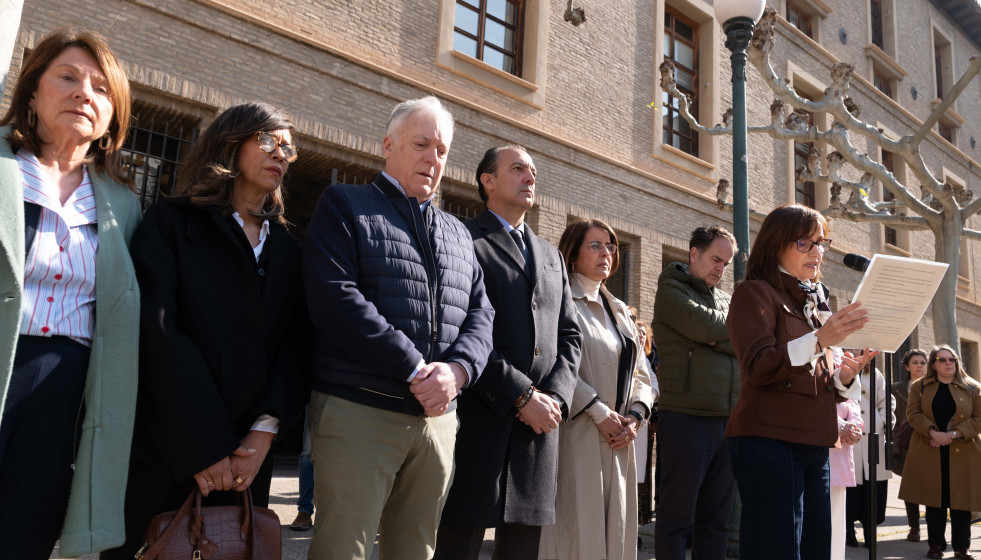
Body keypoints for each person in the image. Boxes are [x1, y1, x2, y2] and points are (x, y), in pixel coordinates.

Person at [104, 103, 311, 559]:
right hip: (169, 446)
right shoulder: (170, 224)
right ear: (229, 143)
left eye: (288, 148)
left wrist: (263, 433)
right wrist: (205, 446)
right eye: (268, 140)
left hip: (246, 463)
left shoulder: (289, 251)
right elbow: (158, 333)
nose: (281, 153)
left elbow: (296, 346)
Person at [303, 96, 494, 560]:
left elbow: (482, 316)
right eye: (421, 144)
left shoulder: (459, 233)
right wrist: (415, 368)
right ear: (388, 146)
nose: (433, 158)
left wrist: (458, 373)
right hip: (360, 410)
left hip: (438, 421)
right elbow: (335, 298)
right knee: (341, 551)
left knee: (416, 552)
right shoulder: (345, 204)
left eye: (442, 150)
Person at [0, 29, 139, 560]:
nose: (84, 93)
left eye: (102, 89)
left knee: (25, 533)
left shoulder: (122, 204)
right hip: (7, 356)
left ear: (112, 115)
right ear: (33, 91)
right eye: (67, 77)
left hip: (66, 391)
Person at [435, 146, 581, 560]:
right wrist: (520, 394)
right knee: (457, 547)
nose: (530, 177)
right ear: (488, 180)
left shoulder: (551, 255)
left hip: (538, 431)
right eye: (518, 169)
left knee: (521, 550)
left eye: (533, 171)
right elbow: (458, 327)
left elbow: (570, 334)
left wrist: (555, 398)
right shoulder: (462, 238)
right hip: (478, 420)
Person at [725, 203, 874, 560]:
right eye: (804, 243)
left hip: (815, 442)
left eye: (821, 243)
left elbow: (811, 379)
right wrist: (820, 339)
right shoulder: (754, 292)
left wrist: (843, 378)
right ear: (776, 244)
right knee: (776, 551)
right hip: (769, 442)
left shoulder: (813, 300)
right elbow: (758, 367)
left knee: (815, 549)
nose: (817, 252)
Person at [539, 218, 655, 560]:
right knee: (577, 535)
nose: (606, 252)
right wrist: (599, 411)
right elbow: (552, 363)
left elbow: (642, 373)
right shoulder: (558, 300)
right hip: (577, 434)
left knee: (615, 536)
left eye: (610, 246)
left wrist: (636, 417)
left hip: (620, 439)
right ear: (572, 254)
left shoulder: (619, 309)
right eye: (595, 245)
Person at [651, 225, 739, 560]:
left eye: (726, 263)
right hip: (686, 418)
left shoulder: (726, 299)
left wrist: (718, 339)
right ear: (694, 253)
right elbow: (710, 327)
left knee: (716, 522)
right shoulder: (670, 290)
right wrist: (720, 335)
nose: (721, 268)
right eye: (716, 259)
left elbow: (742, 339)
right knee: (676, 520)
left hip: (727, 422)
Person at [898, 344, 981, 560]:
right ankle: (935, 545)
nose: (948, 363)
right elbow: (913, 413)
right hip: (930, 449)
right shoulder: (920, 386)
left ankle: (962, 547)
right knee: (935, 500)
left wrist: (952, 434)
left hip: (963, 451)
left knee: (961, 501)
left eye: (952, 359)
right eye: (942, 360)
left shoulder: (973, 388)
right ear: (934, 365)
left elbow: (979, 418)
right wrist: (933, 433)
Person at [846, 362, 895, 547]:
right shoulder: (839, 367)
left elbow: (886, 401)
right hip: (849, 437)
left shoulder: (873, 372)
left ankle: (870, 529)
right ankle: (848, 528)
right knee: (850, 487)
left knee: (873, 487)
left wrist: (882, 422)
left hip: (873, 438)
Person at [892, 348, 928, 542]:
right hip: (905, 443)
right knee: (910, 487)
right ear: (907, 367)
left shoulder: (933, 387)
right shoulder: (896, 389)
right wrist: (894, 442)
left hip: (929, 442)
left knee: (931, 485)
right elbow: (891, 418)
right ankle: (914, 527)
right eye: (915, 362)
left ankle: (933, 525)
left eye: (923, 363)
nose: (919, 366)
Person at [830, 397, 863, 560]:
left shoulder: (846, 384)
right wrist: (840, 426)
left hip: (840, 463)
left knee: (836, 528)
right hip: (817, 458)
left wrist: (854, 427)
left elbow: (853, 402)